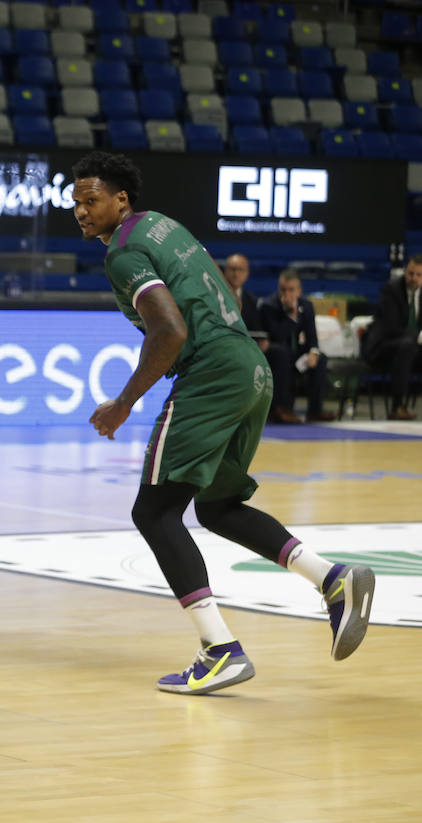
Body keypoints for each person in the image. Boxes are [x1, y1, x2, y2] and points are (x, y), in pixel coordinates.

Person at [72, 151, 375, 695]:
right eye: (75, 202)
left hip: (211, 370)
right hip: (252, 371)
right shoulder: (164, 226)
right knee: (215, 507)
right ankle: (333, 579)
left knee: (155, 510)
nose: (80, 211)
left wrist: (123, 402)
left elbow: (169, 330)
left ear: (121, 200)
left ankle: (220, 650)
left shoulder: (123, 253)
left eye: (90, 200)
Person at [260, 269, 336, 424]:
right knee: (282, 353)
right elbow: (277, 335)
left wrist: (313, 353)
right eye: (283, 289)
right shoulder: (268, 306)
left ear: (299, 290)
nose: (287, 294)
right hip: (275, 356)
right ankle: (282, 409)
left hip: (295, 355)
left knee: (320, 359)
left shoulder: (306, 306)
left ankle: (315, 410)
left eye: (291, 290)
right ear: (278, 289)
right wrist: (291, 316)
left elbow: (312, 337)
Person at [363, 255, 422, 421]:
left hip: (411, 348)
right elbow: (392, 328)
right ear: (405, 272)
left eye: (419, 275)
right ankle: (398, 406)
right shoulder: (391, 290)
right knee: (407, 346)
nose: (414, 278)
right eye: (411, 274)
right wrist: (419, 335)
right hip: (382, 347)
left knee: (410, 346)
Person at [221, 253, 267, 352]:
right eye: (233, 269)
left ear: (247, 273)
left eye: (240, 270)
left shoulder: (253, 302)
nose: (236, 274)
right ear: (225, 271)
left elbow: (257, 333)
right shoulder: (214, 297)